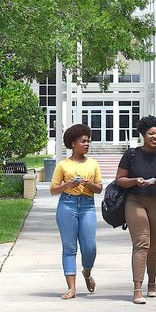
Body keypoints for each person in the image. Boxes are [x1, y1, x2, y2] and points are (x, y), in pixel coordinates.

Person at [115, 115, 156, 304]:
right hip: (135, 201)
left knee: (154, 245)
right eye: (151, 133)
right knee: (141, 243)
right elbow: (120, 180)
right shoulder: (131, 155)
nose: (155, 137)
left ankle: (152, 283)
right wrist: (135, 181)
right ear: (143, 134)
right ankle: (137, 289)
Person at [50, 123, 103, 299]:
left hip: (87, 205)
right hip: (67, 205)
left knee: (90, 248)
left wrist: (90, 184)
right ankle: (71, 288)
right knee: (69, 248)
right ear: (73, 144)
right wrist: (68, 185)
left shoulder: (93, 164)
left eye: (88, 141)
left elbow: (99, 189)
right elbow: (53, 189)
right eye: (83, 141)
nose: (87, 144)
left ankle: (87, 272)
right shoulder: (63, 165)